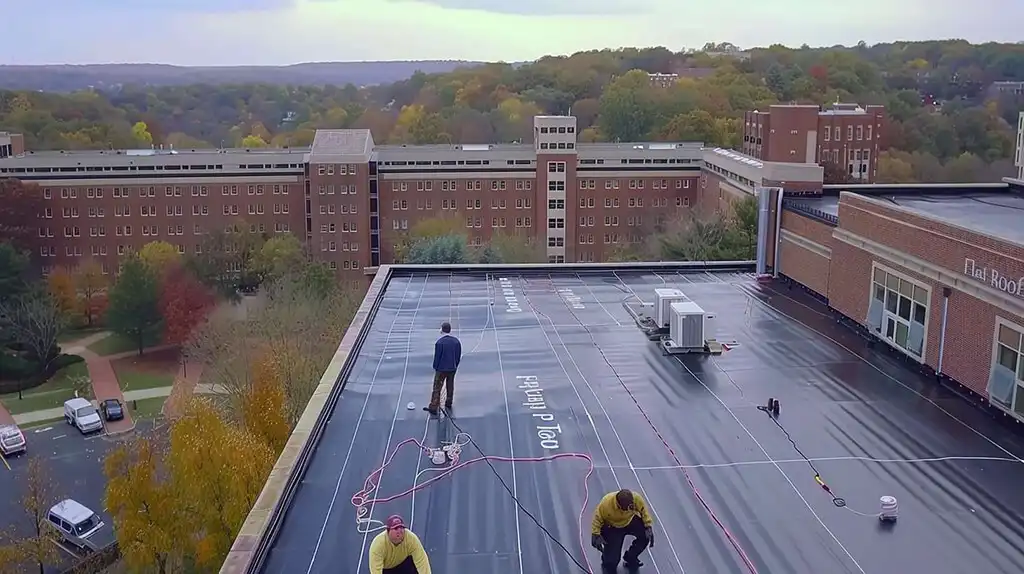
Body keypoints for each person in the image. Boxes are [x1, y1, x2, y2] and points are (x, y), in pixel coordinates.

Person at [591, 488, 655, 571]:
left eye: (631, 506)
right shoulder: (606, 504)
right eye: (626, 507)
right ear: (619, 505)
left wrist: (648, 526)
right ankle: (608, 561)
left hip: (630, 521)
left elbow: (644, 511)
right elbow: (597, 518)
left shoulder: (636, 498)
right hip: (613, 527)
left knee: (645, 536)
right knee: (611, 562)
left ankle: (630, 557)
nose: (629, 508)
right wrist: (595, 534)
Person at [424, 321, 461, 415]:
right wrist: (455, 365)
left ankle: (434, 406)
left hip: (441, 369)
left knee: (437, 387)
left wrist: (435, 367)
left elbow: (437, 357)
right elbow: (458, 356)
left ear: (442, 329)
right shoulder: (456, 341)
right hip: (452, 368)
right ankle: (449, 402)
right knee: (450, 385)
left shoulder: (439, 343)